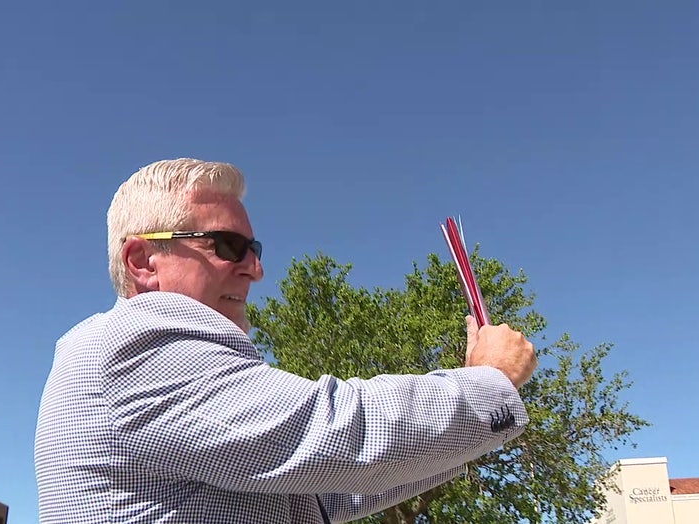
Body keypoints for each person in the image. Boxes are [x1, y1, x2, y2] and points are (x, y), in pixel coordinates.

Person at [34, 158, 537, 523]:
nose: (255, 269)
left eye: (254, 249)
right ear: (143, 261)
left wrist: (468, 430)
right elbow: (336, 431)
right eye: (229, 246)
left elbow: (326, 492)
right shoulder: (137, 340)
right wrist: (487, 384)